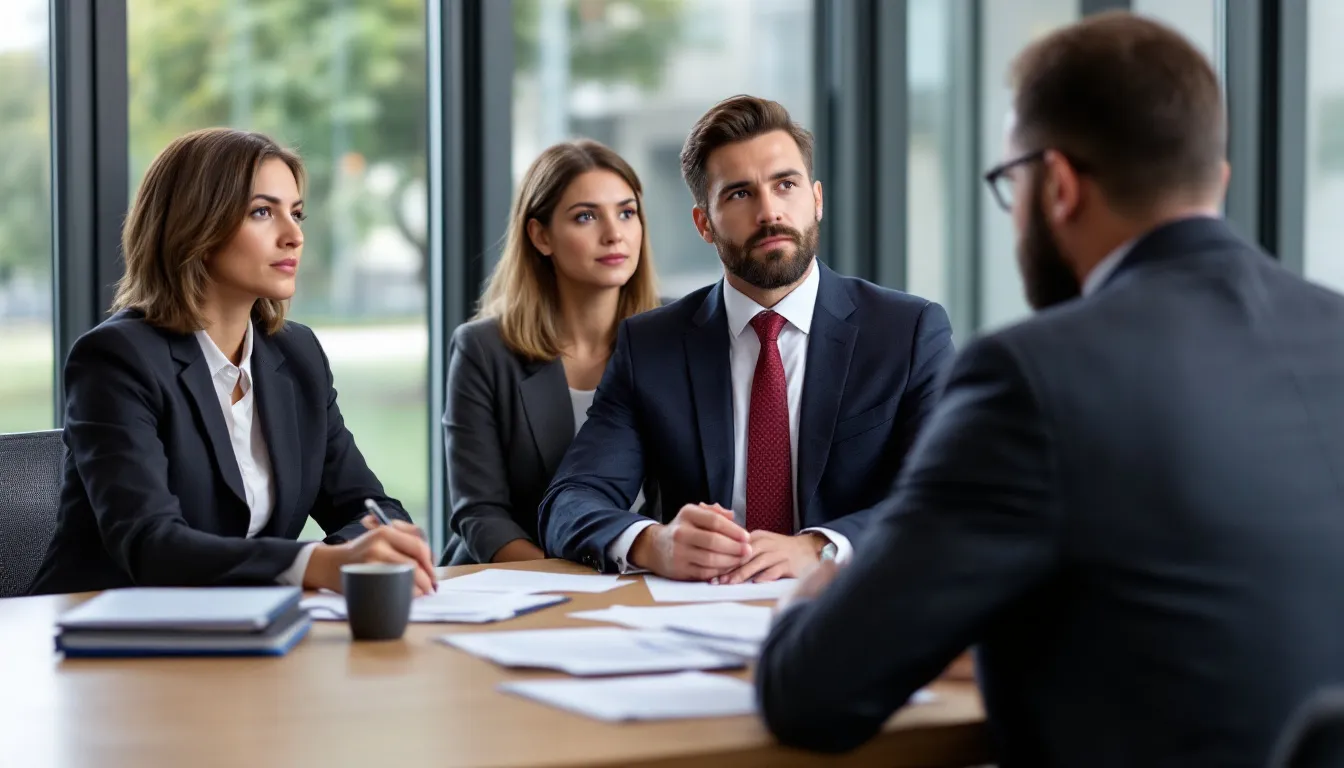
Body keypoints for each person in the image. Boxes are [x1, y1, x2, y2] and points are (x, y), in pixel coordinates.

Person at [754, 13, 1344, 767]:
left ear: (1059, 186)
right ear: (1216, 180)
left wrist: (811, 595)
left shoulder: (1031, 377)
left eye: (1013, 183)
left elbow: (812, 691)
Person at [539, 95, 954, 582]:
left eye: (785, 185)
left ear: (817, 200)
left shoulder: (907, 332)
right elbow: (569, 501)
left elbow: (947, 493)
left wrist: (820, 548)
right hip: (698, 609)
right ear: (704, 225)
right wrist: (655, 543)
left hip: (851, 602)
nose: (769, 211)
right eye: (739, 194)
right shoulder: (652, 346)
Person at [28, 128, 437, 597]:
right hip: (101, 625)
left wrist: (353, 555)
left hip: (241, 625)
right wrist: (316, 564)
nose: (294, 236)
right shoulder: (116, 359)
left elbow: (373, 510)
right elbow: (150, 544)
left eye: (296, 213)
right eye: (262, 212)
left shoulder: (297, 355)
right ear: (195, 227)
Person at [440, 140, 662, 566]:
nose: (614, 233)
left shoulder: (675, 334)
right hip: (513, 577)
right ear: (541, 236)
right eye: (586, 216)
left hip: (645, 575)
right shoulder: (483, 349)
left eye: (626, 212)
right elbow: (481, 513)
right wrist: (573, 583)